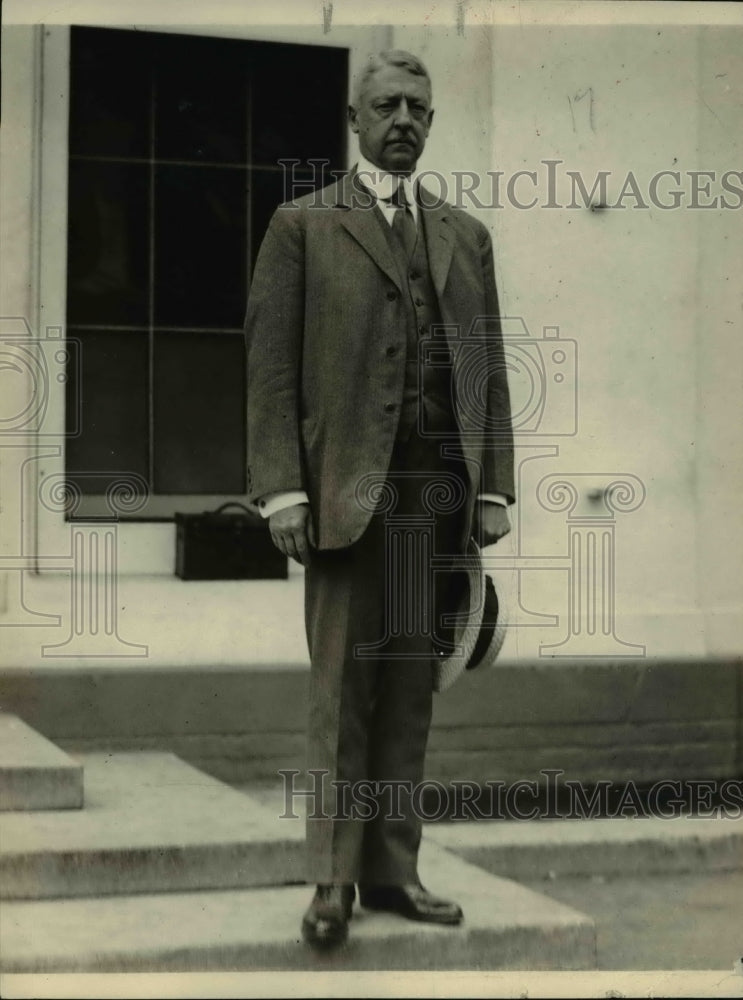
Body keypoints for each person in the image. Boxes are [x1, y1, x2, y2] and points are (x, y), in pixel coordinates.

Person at [245, 50, 515, 948]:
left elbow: (485, 370)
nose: (403, 120)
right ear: (355, 120)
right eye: (387, 105)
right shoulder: (302, 225)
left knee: (409, 691)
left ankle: (394, 872)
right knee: (341, 693)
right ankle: (332, 881)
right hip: (341, 496)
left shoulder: (464, 234)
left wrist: (493, 489)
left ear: (430, 124)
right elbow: (270, 370)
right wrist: (282, 491)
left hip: (433, 501)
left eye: (417, 109)